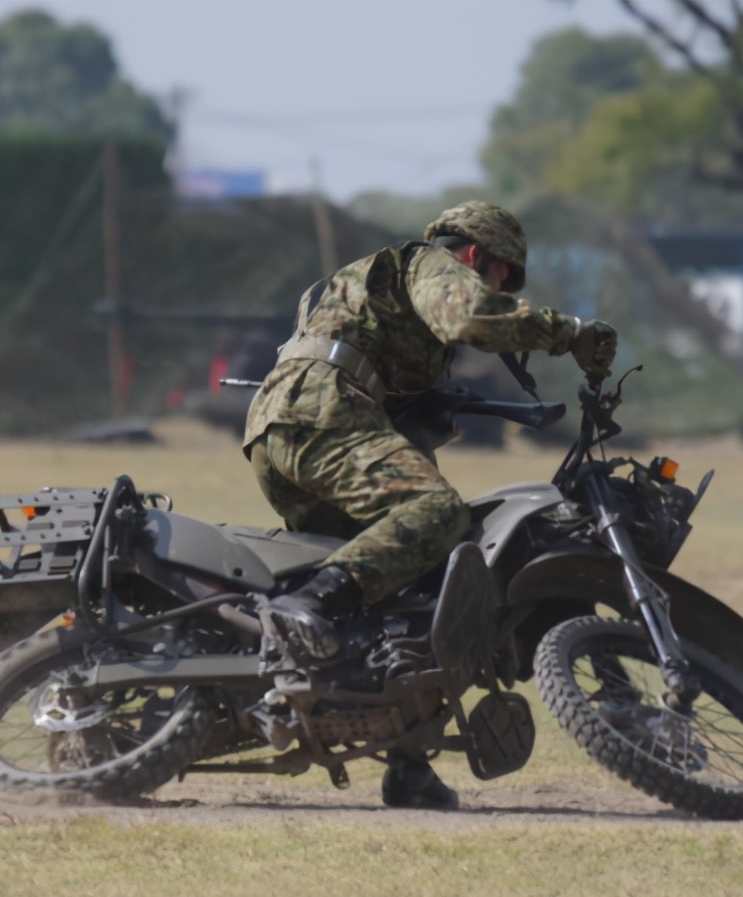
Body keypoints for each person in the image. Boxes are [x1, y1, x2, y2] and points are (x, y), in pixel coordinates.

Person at [241, 201, 618, 809]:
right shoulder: (430, 264)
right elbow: (473, 319)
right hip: (320, 412)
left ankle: (408, 764)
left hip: (286, 425)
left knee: (419, 595)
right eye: (498, 277)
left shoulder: (384, 289)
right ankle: (310, 602)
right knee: (439, 514)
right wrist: (568, 332)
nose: (493, 287)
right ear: (475, 255)